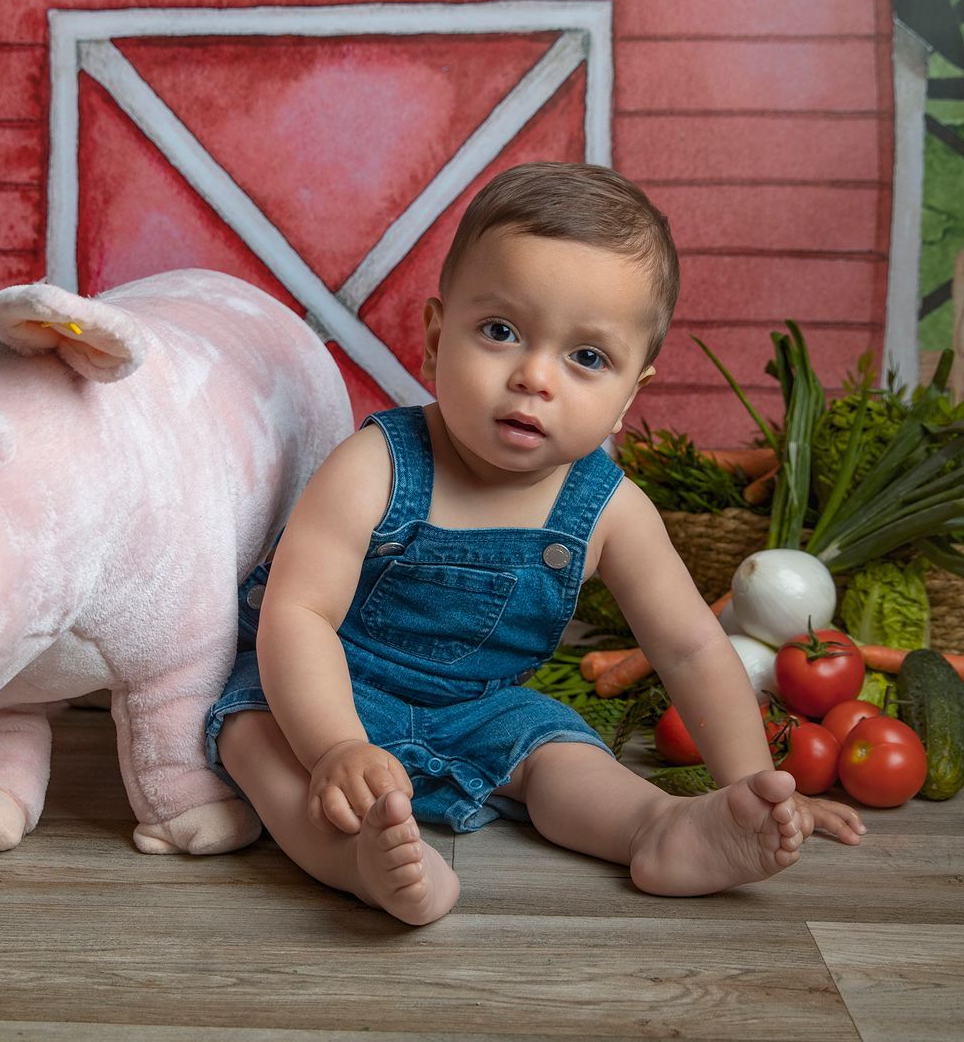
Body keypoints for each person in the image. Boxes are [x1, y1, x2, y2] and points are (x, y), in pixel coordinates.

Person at [203, 162, 866, 925]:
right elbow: (299, 615)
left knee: (561, 752)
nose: (533, 377)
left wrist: (749, 784)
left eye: (586, 358)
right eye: (500, 332)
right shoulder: (376, 465)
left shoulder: (611, 511)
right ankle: (352, 860)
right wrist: (334, 748)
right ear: (432, 338)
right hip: (327, 690)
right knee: (254, 734)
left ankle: (659, 828)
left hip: (482, 709)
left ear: (628, 398)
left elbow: (692, 649)